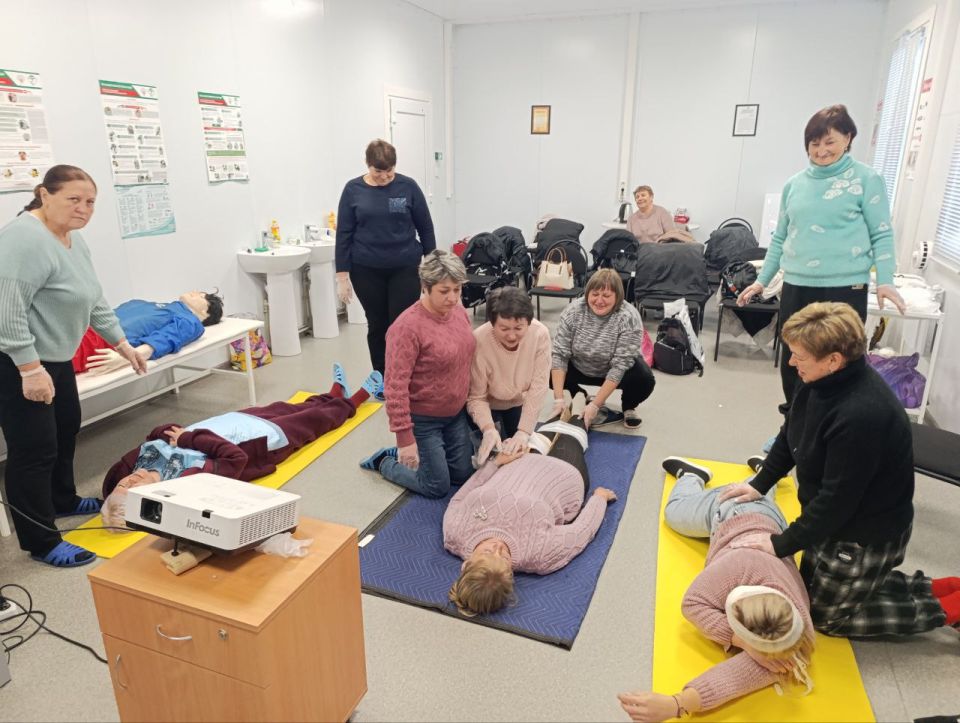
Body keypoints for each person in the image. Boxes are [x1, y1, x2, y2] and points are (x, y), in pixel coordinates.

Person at [720, 303, 960, 637]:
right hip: (836, 521)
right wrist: (760, 483)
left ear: (833, 359)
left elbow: (837, 501)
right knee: (811, 588)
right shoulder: (820, 379)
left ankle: (949, 609)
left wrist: (780, 544)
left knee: (822, 618)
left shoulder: (862, 415)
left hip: (864, 535)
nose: (791, 362)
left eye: (799, 356)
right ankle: (945, 587)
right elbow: (792, 432)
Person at [0, 165, 147, 568]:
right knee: (33, 450)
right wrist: (30, 369)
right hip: (18, 360)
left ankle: (61, 499)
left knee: (66, 428)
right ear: (44, 195)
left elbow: (93, 297)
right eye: (73, 199)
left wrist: (121, 343)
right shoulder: (22, 239)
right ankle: (40, 539)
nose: (83, 209)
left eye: (90, 202)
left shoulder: (72, 239)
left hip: (57, 356)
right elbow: (6, 312)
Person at [617, 456, 814, 721]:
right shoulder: (739, 563)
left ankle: (765, 473)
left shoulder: (797, 635)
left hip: (769, 520)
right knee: (674, 513)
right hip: (728, 511)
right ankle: (691, 475)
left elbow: (746, 675)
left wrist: (679, 704)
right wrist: (739, 640)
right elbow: (692, 604)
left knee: (760, 495)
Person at [736, 104, 906, 409]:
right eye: (814, 144)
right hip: (798, 284)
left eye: (830, 142)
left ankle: (834, 427)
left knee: (838, 362)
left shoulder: (867, 180)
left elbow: (881, 233)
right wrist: (762, 281)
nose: (821, 151)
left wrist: (885, 280)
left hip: (845, 286)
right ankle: (795, 427)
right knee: (795, 358)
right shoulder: (795, 184)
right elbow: (781, 238)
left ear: (848, 138)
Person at [100, 364, 383, 527]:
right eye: (131, 488)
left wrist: (169, 434)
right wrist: (185, 438)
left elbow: (155, 433)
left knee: (288, 406)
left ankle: (332, 393)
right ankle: (353, 400)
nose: (129, 480)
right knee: (316, 420)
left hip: (234, 421)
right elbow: (233, 458)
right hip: (262, 442)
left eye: (122, 484)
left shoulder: (140, 462)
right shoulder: (184, 482)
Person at [444, 404, 618, 616]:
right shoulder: (539, 556)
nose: (499, 547)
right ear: (511, 574)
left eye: (488, 551)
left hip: (515, 461)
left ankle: (564, 403)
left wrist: (495, 463)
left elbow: (462, 496)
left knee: (550, 425)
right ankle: (586, 413)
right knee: (575, 427)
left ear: (466, 565)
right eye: (505, 559)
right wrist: (599, 500)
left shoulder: (455, 533)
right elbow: (580, 532)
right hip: (562, 472)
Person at [359, 250, 475, 498]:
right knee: (437, 487)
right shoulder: (406, 328)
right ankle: (384, 461)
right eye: (444, 291)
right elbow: (395, 387)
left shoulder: (458, 312)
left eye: (457, 289)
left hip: (455, 414)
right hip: (424, 420)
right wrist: (404, 438)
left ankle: (424, 453)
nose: (453, 298)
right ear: (425, 287)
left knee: (463, 475)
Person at [335, 139, 437, 377]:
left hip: (404, 267)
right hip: (366, 269)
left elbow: (426, 228)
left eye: (389, 171)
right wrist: (342, 276)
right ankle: (381, 376)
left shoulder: (408, 187)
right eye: (378, 171)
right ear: (367, 165)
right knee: (377, 324)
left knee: (401, 324)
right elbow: (344, 234)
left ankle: (404, 375)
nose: (384, 176)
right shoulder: (353, 190)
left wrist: (431, 267)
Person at [551, 269, 655, 429]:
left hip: (614, 371)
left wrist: (595, 405)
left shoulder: (629, 317)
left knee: (644, 378)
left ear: (617, 297)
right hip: (580, 366)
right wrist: (558, 398)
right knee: (545, 367)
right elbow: (559, 354)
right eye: (594, 294)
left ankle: (628, 406)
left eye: (606, 296)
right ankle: (579, 395)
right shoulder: (573, 312)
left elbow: (620, 365)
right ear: (587, 294)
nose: (599, 301)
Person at [467, 287, 551, 462]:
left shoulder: (539, 334)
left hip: (516, 402)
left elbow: (539, 387)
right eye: (504, 328)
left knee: (521, 452)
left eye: (519, 328)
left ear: (528, 322)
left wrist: (524, 432)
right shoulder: (478, 341)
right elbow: (476, 397)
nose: (512, 336)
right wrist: (488, 429)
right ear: (492, 323)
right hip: (488, 405)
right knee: (488, 457)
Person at [72, 291, 225, 374]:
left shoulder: (190, 322)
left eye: (202, 296)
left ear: (205, 313)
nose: (195, 292)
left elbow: (164, 340)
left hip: (95, 342)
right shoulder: (160, 306)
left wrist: (125, 358)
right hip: (81, 325)